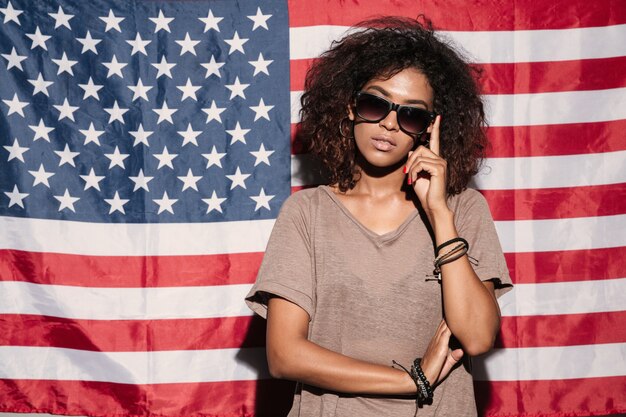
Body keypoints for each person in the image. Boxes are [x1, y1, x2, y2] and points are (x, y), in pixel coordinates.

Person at [245, 16, 513, 417]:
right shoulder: (307, 213)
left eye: (411, 114)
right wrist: (411, 380)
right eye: (376, 104)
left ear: (428, 129)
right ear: (351, 107)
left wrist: (438, 212)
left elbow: (476, 337)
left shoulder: (464, 209)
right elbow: (284, 355)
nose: (389, 123)